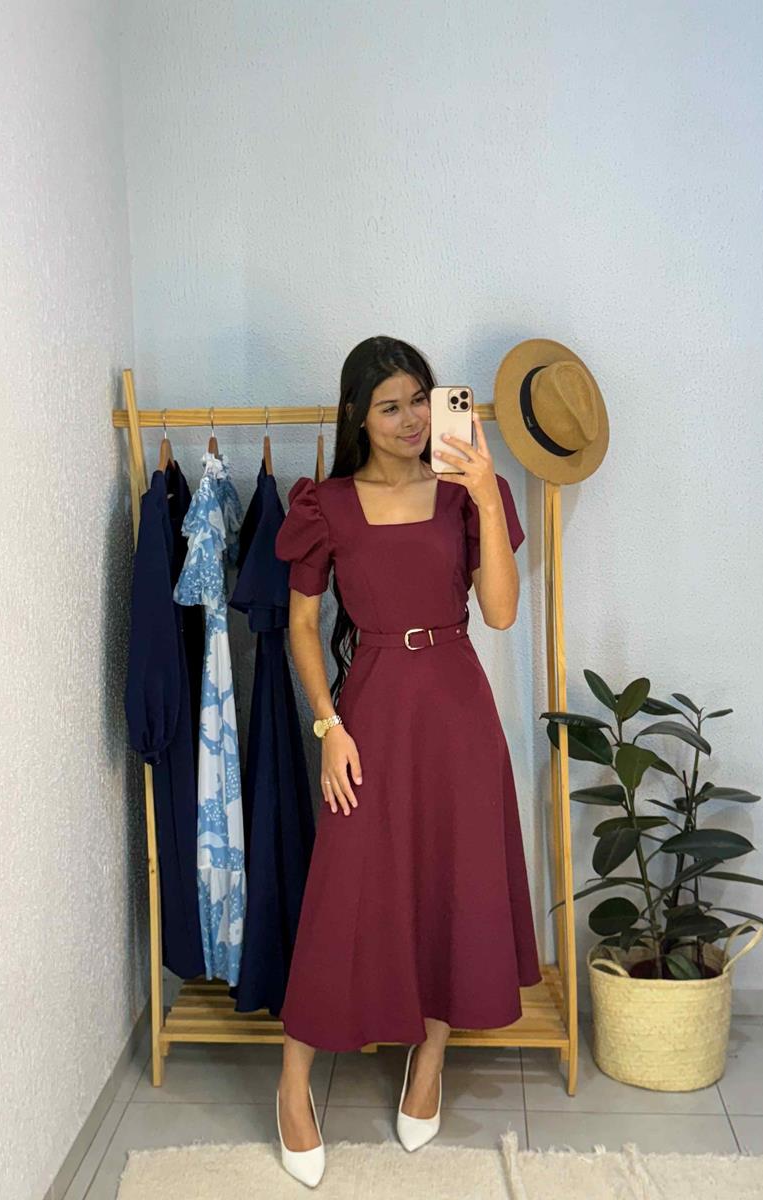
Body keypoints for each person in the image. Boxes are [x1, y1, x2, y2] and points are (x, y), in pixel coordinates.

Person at [273, 336, 541, 1186]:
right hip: (371, 711)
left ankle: (430, 1062)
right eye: (391, 406)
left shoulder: (468, 494)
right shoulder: (326, 504)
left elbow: (501, 612)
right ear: (357, 415)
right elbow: (303, 625)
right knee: (343, 892)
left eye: (421, 399)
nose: (412, 419)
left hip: (458, 708)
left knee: (450, 881)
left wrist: (487, 498)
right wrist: (328, 726)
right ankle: (292, 1085)